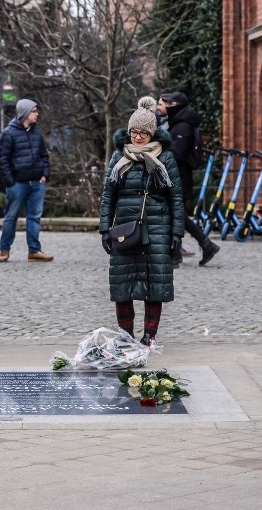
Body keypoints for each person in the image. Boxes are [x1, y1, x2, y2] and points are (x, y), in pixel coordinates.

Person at [99, 97, 185, 345]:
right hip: (124, 230)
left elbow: (176, 197)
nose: (138, 138)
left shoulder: (165, 159)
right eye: (134, 133)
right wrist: (105, 229)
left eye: (143, 133)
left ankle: (149, 337)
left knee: (153, 285)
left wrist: (176, 234)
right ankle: (126, 338)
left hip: (158, 229)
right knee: (122, 286)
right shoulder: (118, 159)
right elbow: (108, 195)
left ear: (152, 134)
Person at [158, 92, 220, 267]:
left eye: (170, 103)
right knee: (177, 215)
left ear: (178, 105)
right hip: (174, 175)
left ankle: (179, 254)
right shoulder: (178, 124)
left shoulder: (183, 126)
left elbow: (178, 154)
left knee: (175, 215)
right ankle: (204, 245)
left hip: (179, 176)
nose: (167, 106)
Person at [0, 98, 52, 263]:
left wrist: (45, 175)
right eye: (34, 111)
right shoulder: (8, 133)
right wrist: (10, 182)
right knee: (11, 217)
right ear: (25, 113)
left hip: (36, 183)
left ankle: (34, 250)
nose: (37, 114)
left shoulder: (36, 132)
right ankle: (4, 250)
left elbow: (44, 155)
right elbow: (2, 160)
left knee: (34, 217)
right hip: (18, 184)